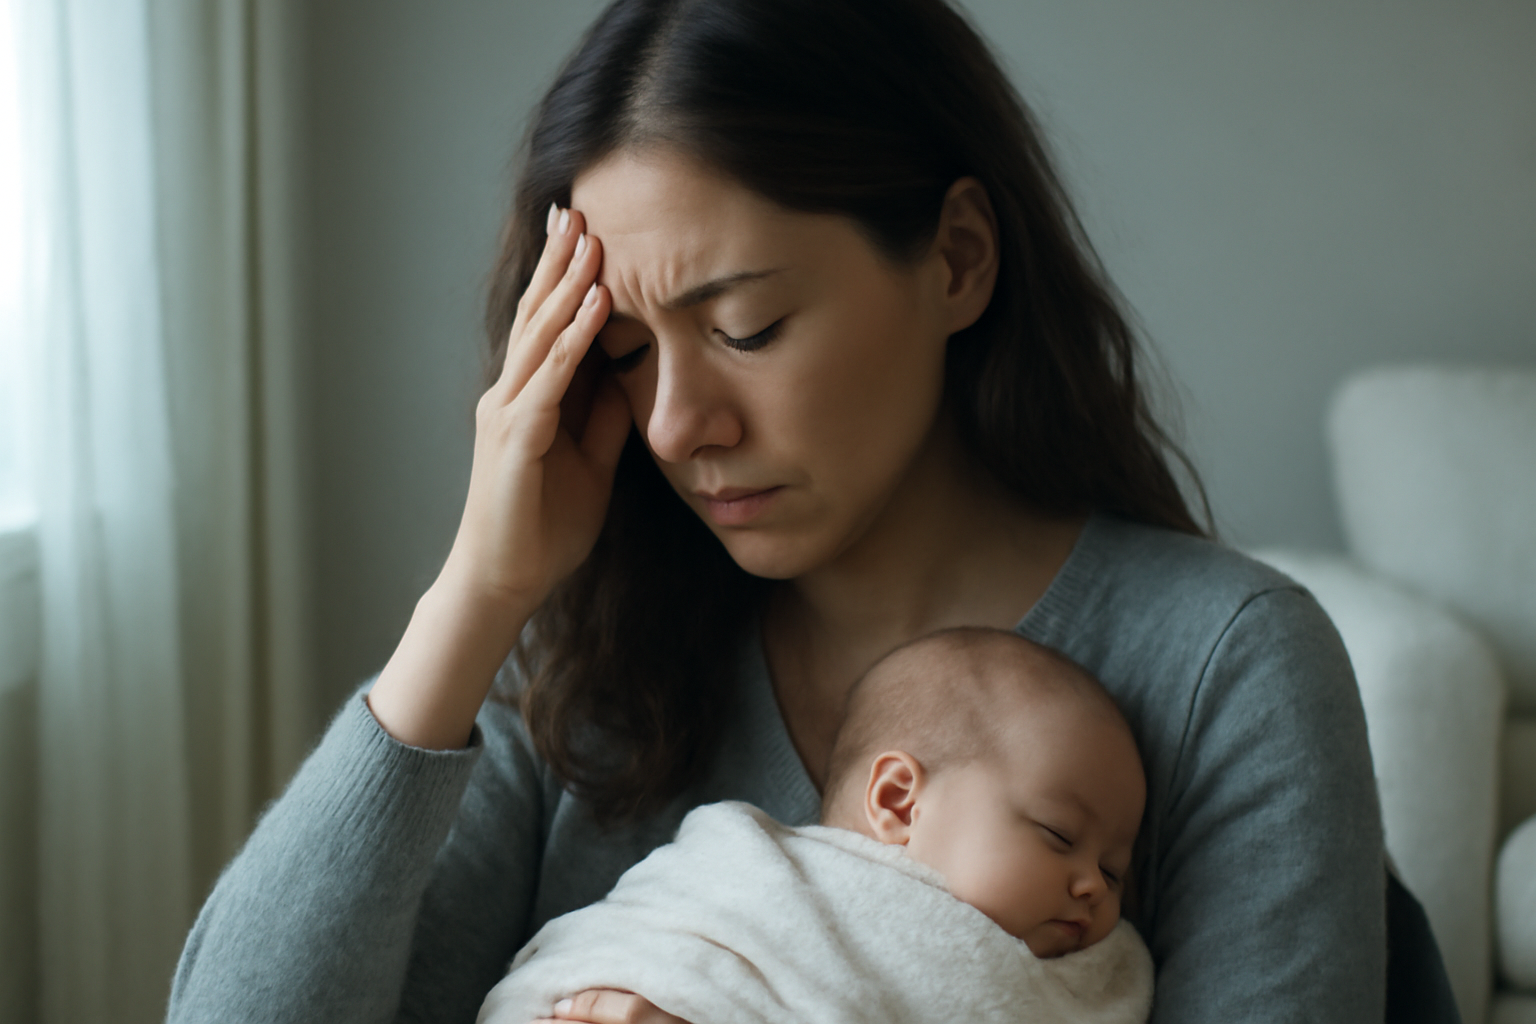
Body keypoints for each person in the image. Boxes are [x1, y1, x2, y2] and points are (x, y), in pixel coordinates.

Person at [166, 1, 1457, 1022]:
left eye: (747, 327)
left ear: (956, 260)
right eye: (621, 350)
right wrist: (475, 597)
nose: (677, 425)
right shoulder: (597, 670)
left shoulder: (1224, 668)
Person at [477, 629, 1152, 1024]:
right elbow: (624, 953)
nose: (1094, 885)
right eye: (1059, 835)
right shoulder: (760, 879)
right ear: (897, 803)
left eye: (1116, 869)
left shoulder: (1086, 986)